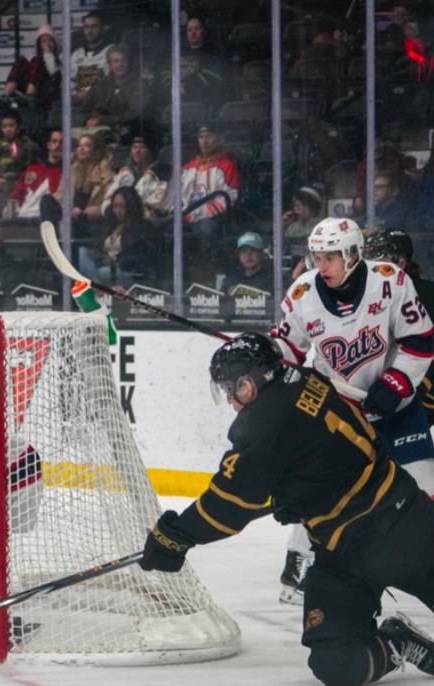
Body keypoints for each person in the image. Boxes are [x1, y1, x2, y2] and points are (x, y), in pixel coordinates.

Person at [141, 331, 434, 686]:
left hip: (401, 529)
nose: (230, 400)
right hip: (342, 551)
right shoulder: (304, 378)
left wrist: (174, 537)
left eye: (230, 389)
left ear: (249, 385)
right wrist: (300, 491)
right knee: (335, 664)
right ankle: (400, 642)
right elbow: (324, 446)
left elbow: (228, 505)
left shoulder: (264, 425)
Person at [271, 217, 434, 605]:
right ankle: (299, 566)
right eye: (316, 257)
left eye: (330, 257)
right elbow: (286, 353)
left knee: (425, 485)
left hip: (397, 406)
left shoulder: (391, 281)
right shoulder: (301, 295)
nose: (320, 265)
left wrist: (396, 384)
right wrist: (273, 360)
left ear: (353, 254)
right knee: (328, 490)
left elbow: (421, 338)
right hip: (341, 410)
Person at [363, 229, 434, 428]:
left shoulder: (426, 294)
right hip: (384, 394)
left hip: (417, 398)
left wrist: (409, 391)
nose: (370, 266)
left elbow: (426, 350)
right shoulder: (369, 296)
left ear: (401, 262)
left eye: (378, 258)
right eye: (367, 258)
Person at [180, 122, 239, 283]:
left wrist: (193, 214)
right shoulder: (187, 168)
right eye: (201, 137)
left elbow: (228, 200)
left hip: (211, 220)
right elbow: (178, 199)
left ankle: (206, 277)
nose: (204, 141)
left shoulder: (227, 166)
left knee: (206, 231)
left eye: (209, 137)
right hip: (185, 219)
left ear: (219, 139)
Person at [80, 186, 160, 287]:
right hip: (104, 264)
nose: (118, 210)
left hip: (126, 269)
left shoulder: (143, 226)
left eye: (122, 207)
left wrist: (114, 261)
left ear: (131, 206)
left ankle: (95, 288)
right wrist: (99, 253)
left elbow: (141, 256)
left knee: (101, 272)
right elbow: (96, 242)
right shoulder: (109, 224)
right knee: (82, 252)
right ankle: (97, 288)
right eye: (115, 206)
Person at [101, 128, 172, 218]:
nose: (137, 151)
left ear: (150, 150)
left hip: (145, 223)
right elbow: (109, 197)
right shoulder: (125, 171)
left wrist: (133, 215)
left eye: (142, 147)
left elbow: (158, 204)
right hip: (119, 219)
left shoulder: (161, 171)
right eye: (134, 147)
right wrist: (111, 210)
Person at [80, 45, 145, 140]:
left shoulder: (138, 85)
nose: (120, 65)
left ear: (129, 63)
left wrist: (102, 120)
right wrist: (87, 120)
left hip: (125, 131)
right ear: (110, 65)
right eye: (116, 61)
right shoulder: (99, 85)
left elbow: (134, 114)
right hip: (94, 130)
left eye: (124, 61)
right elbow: (83, 110)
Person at [1, 128, 64, 223]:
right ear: (49, 145)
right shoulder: (33, 169)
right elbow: (18, 192)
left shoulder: (68, 171)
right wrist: (8, 209)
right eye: (54, 141)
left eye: (61, 142)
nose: (57, 145)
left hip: (44, 218)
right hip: (23, 216)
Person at [3, 24, 61, 114]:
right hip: (31, 89)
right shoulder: (34, 58)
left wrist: (47, 55)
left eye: (50, 41)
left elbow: (54, 74)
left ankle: (30, 95)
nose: (47, 44)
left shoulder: (61, 60)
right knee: (21, 60)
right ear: (39, 44)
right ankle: (5, 96)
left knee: (36, 59)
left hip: (47, 92)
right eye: (43, 41)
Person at [0, 110, 38, 193]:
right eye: (4, 127)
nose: (8, 129)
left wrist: (23, 156)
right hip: (1, 181)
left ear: (19, 127)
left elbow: (35, 164)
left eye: (11, 126)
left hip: (22, 180)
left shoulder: (27, 143)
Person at [65, 132, 113, 222]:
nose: (81, 149)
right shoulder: (72, 170)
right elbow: (60, 197)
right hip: (70, 216)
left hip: (90, 219)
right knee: (47, 200)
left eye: (87, 146)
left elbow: (107, 204)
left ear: (95, 150)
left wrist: (85, 213)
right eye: (79, 146)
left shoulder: (105, 172)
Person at [70, 11, 112, 105]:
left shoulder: (111, 51)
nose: (90, 31)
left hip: (102, 103)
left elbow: (111, 81)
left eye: (94, 27)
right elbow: (69, 81)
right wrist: (73, 95)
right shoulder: (76, 54)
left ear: (103, 28)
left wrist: (89, 94)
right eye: (86, 27)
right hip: (77, 103)